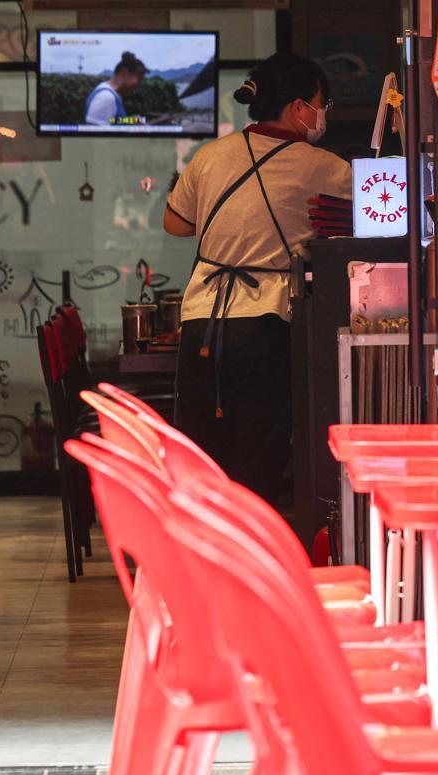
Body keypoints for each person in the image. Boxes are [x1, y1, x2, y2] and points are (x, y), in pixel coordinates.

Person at [164, 53, 350, 507]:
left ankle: (203, 544)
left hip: (202, 321)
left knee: (204, 452)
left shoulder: (209, 156)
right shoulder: (327, 168)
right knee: (258, 459)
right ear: (298, 107)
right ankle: (248, 545)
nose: (322, 114)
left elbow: (175, 223)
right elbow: (370, 226)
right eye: (320, 103)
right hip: (267, 322)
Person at [84, 51, 146, 126]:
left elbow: (111, 120)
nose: (138, 84)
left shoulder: (111, 93)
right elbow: (96, 132)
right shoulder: (106, 97)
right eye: (139, 79)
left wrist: (131, 120)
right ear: (125, 73)